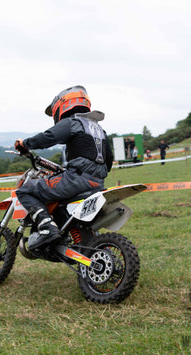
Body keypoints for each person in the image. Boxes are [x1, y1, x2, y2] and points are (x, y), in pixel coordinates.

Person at [14, 85, 113, 249]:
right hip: (98, 183)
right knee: (58, 202)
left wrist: (25, 143)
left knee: (26, 190)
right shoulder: (99, 129)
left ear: (63, 104)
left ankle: (47, 228)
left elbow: (49, 137)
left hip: (77, 180)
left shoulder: (72, 122)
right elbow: (108, 160)